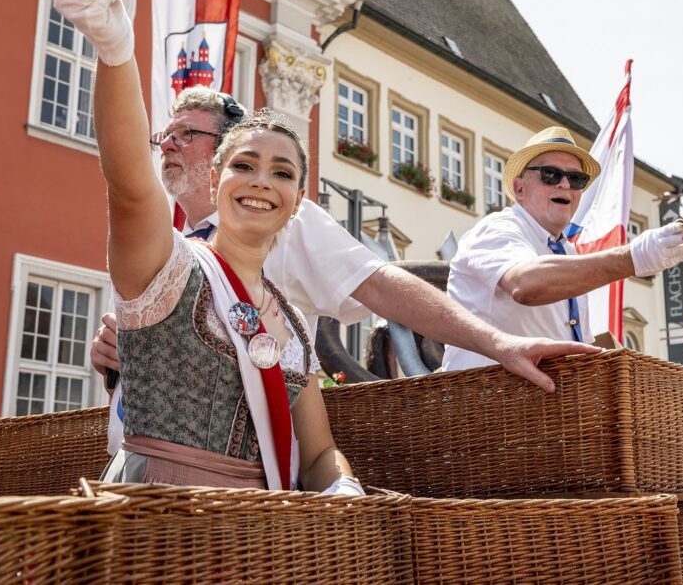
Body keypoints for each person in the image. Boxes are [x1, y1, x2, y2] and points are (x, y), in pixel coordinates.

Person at [49, 0, 359, 493]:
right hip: (154, 521)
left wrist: (341, 487)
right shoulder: (167, 265)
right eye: (245, 164)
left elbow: (318, 453)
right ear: (215, 181)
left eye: (283, 173)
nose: (263, 180)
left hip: (254, 537)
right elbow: (128, 185)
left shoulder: (291, 325)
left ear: (297, 200)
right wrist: (115, 48)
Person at [90, 81, 600, 400]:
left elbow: (379, 286)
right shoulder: (170, 246)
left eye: (186, 135)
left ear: (222, 153)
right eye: (167, 135)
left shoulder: (285, 219)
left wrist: (497, 343)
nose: (169, 145)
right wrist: (116, 355)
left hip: (250, 463)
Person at [441, 126, 683, 371]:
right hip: (486, 400)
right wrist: (633, 257)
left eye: (576, 179)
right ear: (520, 188)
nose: (564, 185)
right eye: (550, 175)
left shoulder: (565, 251)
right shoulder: (498, 228)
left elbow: (577, 341)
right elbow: (525, 284)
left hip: (544, 402)